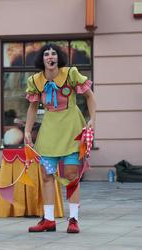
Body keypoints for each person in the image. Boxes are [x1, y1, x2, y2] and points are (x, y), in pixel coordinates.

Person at [24, 43, 96, 234]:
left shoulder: (71, 73)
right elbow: (32, 107)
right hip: (49, 130)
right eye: (46, 54)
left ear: (58, 58)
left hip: (71, 128)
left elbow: (89, 96)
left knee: (72, 174)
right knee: (47, 175)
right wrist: (27, 131)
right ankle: (48, 220)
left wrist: (92, 119)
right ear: (42, 59)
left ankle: (73, 219)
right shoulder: (35, 80)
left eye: (53, 53)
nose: (50, 57)